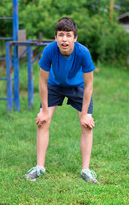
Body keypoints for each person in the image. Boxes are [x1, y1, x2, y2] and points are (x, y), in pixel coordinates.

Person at [24, 17, 98, 184]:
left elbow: (89, 86)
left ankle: (86, 170)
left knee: (86, 124)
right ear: (56, 37)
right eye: (61, 35)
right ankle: (39, 168)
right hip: (54, 86)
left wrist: (85, 114)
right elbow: (42, 81)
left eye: (68, 35)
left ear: (75, 38)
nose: (64, 39)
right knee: (43, 121)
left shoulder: (83, 52)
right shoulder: (49, 51)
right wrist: (43, 110)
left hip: (78, 87)